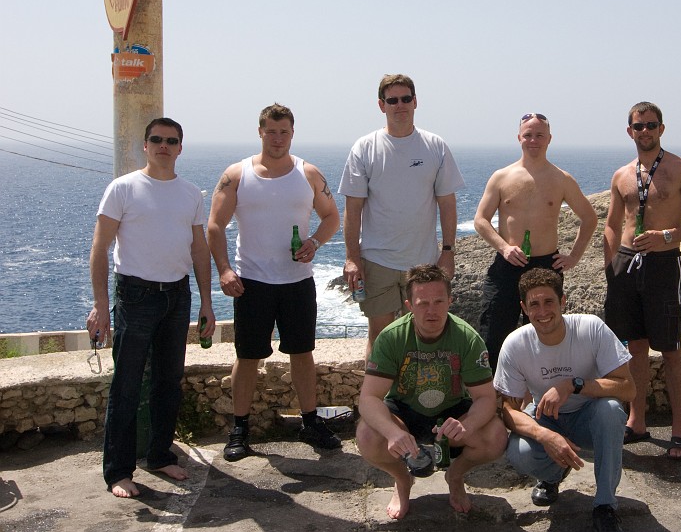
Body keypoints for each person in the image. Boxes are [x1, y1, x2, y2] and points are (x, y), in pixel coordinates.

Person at [86, 118, 215, 498]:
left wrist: (207, 301)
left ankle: (160, 455)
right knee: (126, 385)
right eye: (156, 140)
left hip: (177, 295)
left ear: (180, 147)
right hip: (136, 295)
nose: (164, 146)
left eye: (171, 141)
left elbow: (199, 249)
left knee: (167, 382)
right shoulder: (122, 188)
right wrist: (100, 304)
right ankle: (118, 473)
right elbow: (100, 248)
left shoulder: (191, 193)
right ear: (145, 145)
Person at [207, 103, 341, 461]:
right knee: (248, 357)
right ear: (260, 132)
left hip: (297, 282)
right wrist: (223, 269)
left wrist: (314, 242)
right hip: (251, 282)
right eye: (271, 131)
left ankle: (310, 422)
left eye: (284, 131)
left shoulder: (308, 173)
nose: (277, 138)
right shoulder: (237, 174)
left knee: (302, 353)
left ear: (292, 134)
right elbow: (215, 225)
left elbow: (331, 217)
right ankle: (240, 429)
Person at [355, 264, 507, 520]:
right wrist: (393, 433)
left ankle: (455, 476)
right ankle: (403, 480)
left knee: (495, 436)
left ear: (451, 301)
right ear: (409, 305)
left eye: (439, 301)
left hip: (451, 414)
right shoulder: (392, 337)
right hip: (404, 412)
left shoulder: (467, 339)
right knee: (367, 436)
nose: (432, 310)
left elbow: (485, 398)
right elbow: (368, 398)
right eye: (423, 303)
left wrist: (466, 427)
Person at [603, 101, 681, 460]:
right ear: (629, 130)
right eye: (639, 125)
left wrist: (667, 236)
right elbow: (611, 224)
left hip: (663, 265)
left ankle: (678, 431)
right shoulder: (621, 175)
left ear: (661, 129)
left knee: (670, 349)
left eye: (651, 125)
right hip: (626, 266)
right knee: (634, 346)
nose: (645, 131)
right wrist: (611, 267)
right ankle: (637, 421)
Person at [494, 268, 634, 532]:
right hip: (547, 419)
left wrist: (574, 385)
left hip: (589, 417)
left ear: (563, 301)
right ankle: (552, 476)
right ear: (524, 308)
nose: (542, 311)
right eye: (534, 304)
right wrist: (546, 437)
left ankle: (605, 504)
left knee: (612, 409)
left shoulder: (591, 328)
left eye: (549, 302)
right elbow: (507, 410)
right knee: (518, 451)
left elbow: (628, 389)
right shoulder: (515, 344)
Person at [339, 74, 464, 358]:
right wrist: (352, 257)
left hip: (423, 261)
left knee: (427, 334)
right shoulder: (364, 147)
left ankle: (419, 400)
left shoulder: (435, 146)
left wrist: (448, 251)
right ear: (382, 105)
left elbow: (447, 203)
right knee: (380, 337)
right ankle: (377, 400)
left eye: (405, 98)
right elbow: (353, 208)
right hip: (377, 260)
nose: (400, 105)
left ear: (415, 101)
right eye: (392, 100)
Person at [473, 112, 598, 367]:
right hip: (508, 265)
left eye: (539, 135)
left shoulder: (561, 179)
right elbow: (480, 220)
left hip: (545, 266)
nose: (533, 140)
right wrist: (504, 248)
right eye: (528, 135)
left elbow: (589, 218)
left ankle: (540, 399)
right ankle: (498, 401)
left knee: (546, 333)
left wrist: (573, 257)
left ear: (549, 139)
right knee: (494, 333)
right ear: (519, 137)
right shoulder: (501, 177)